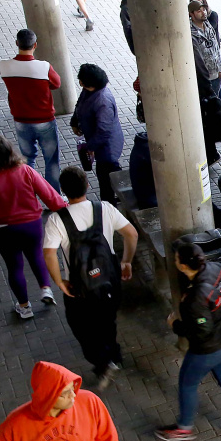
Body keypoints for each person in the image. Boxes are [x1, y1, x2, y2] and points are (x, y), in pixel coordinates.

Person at [43, 166, 137, 389]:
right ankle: (115, 356)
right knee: (108, 318)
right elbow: (131, 233)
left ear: (63, 191)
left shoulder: (57, 220)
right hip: (109, 278)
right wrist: (126, 261)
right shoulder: (104, 208)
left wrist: (59, 281)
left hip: (79, 286)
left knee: (82, 327)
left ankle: (102, 362)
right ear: (87, 185)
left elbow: (49, 253)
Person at [156, 242, 221, 441]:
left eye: (176, 260)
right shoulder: (217, 268)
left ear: (183, 266)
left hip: (208, 350)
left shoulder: (194, 298)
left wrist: (176, 325)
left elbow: (201, 331)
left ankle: (184, 428)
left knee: (187, 384)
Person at [0, 135, 65, 319]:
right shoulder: (25, 170)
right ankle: (46, 289)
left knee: (14, 265)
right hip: (30, 224)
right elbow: (49, 195)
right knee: (36, 255)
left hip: (1, 229)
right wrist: (65, 210)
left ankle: (24, 307)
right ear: (10, 151)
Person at [0, 361, 121, 441]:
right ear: (48, 397)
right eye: (65, 393)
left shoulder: (90, 402)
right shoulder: (14, 426)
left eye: (73, 388)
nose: (73, 395)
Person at [0, 29, 63, 194]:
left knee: (27, 160)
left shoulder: (4, 66)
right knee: (52, 161)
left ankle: (28, 195)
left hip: (21, 121)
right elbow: (56, 84)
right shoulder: (44, 67)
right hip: (45, 121)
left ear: (17, 44)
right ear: (35, 45)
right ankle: (54, 196)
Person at [70, 64, 125, 205]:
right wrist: (74, 121)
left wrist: (90, 147)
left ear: (82, 82)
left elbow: (104, 131)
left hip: (107, 147)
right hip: (100, 144)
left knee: (107, 175)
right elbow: (79, 104)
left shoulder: (103, 101)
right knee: (106, 174)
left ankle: (109, 204)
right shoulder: (89, 90)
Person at [189, 0, 221, 101]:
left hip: (216, 74)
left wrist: (220, 68)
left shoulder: (208, 25)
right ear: (191, 14)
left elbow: (216, 47)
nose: (203, 12)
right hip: (204, 78)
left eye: (203, 9)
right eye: (199, 11)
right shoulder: (191, 33)